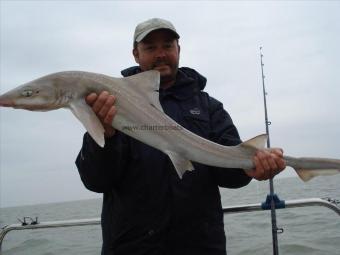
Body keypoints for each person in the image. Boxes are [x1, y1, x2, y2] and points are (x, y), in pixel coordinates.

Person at [76, 18, 286, 255]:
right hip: (132, 247)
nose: (160, 54)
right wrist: (106, 134)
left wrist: (250, 167)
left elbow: (229, 175)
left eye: (167, 46)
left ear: (178, 49)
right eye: (150, 48)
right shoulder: (111, 105)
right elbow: (96, 180)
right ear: (135, 54)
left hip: (200, 245)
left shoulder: (208, 108)